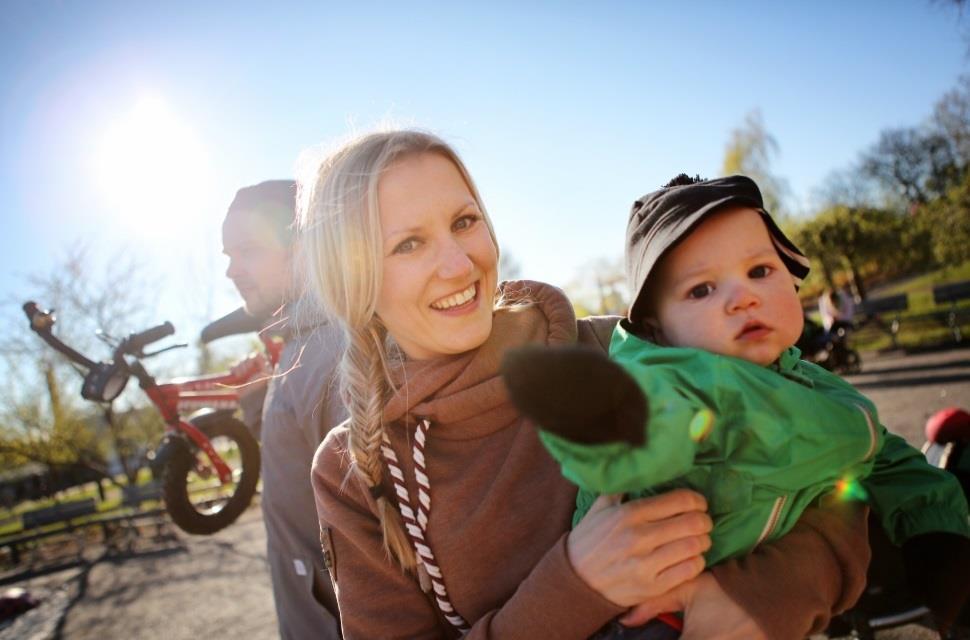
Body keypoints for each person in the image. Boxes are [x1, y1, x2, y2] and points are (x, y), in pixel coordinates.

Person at [302, 130, 875, 640]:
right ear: (355, 283)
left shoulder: (631, 352)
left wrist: (766, 593)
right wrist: (575, 585)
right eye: (408, 244)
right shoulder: (356, 470)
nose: (459, 263)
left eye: (464, 221)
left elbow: (838, 474)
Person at [502, 174, 970, 634]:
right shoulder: (678, 382)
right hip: (647, 619)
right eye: (701, 289)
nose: (742, 297)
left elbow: (883, 457)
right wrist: (611, 424)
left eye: (759, 271)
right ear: (657, 328)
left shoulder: (814, 383)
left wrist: (937, 534)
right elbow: (660, 428)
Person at [221, 180, 344, 639]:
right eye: (227, 256)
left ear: (304, 247)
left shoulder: (333, 355)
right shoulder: (300, 348)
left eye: (247, 250)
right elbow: (306, 469)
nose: (232, 271)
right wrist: (259, 405)